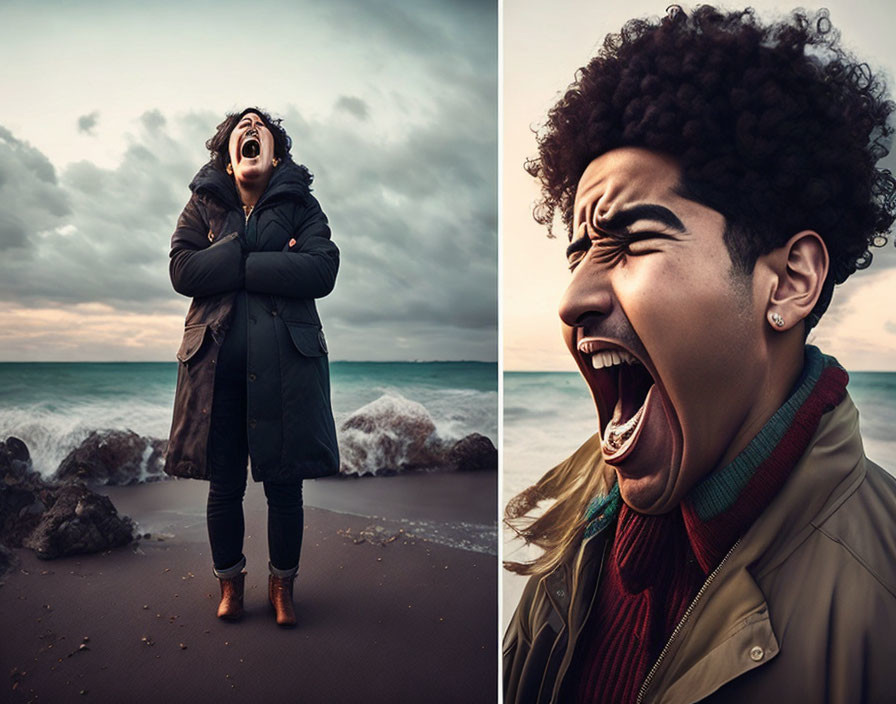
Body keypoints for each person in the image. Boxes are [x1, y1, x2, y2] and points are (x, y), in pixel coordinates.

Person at [503, 6, 896, 703]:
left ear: (792, 280)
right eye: (579, 255)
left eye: (631, 243)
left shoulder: (881, 596)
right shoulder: (578, 529)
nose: (570, 301)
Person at [164, 107, 339, 628]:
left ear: (276, 153)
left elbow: (323, 267)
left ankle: (282, 587)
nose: (250, 131)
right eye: (241, 129)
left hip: (286, 372)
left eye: (259, 129)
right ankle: (230, 585)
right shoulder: (204, 202)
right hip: (213, 375)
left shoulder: (301, 203)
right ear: (227, 153)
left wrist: (236, 265)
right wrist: (256, 250)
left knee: (286, 486)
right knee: (224, 486)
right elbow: (181, 268)